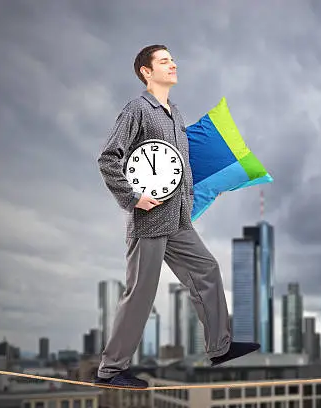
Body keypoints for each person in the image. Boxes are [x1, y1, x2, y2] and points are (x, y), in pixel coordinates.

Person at [94, 44, 259, 389]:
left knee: (207, 270)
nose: (173, 64)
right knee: (141, 293)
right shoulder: (137, 110)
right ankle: (111, 371)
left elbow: (178, 167)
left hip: (179, 220)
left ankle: (220, 348)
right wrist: (132, 197)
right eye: (165, 61)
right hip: (149, 220)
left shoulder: (177, 115)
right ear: (146, 71)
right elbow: (108, 158)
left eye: (172, 59)